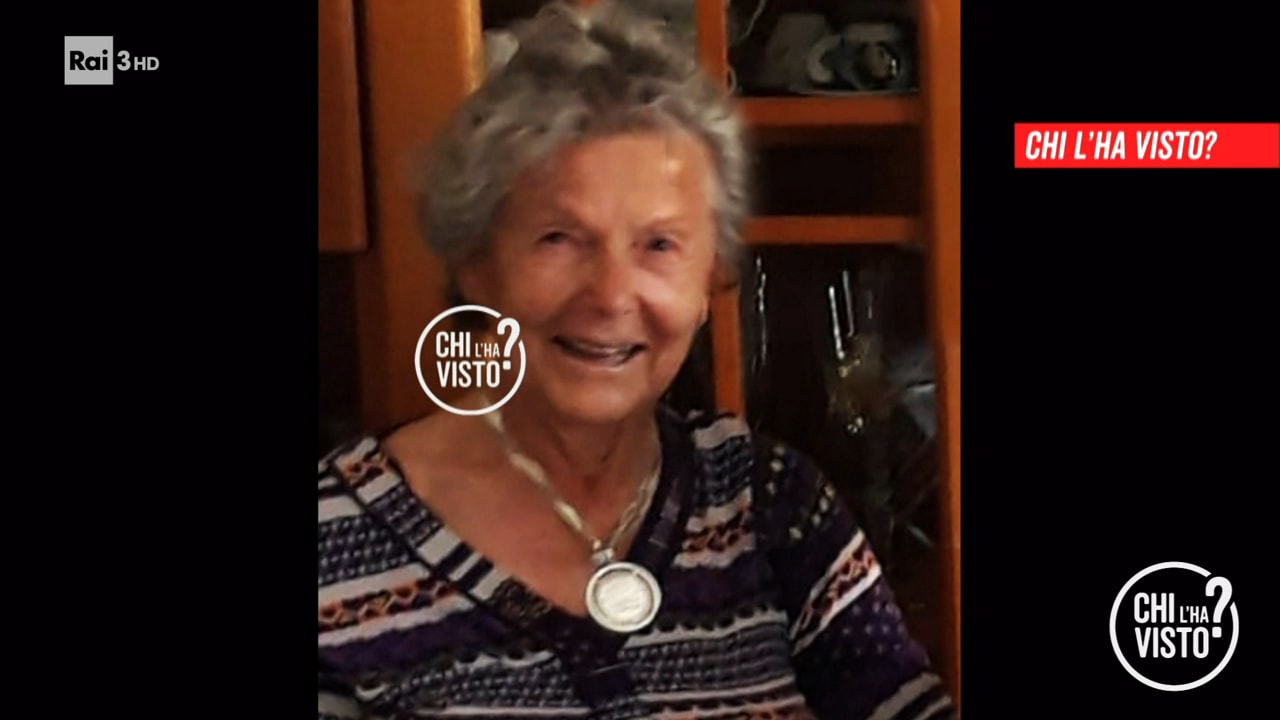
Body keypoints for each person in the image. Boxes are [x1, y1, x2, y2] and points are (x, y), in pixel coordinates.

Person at [318, 2, 955, 718]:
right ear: (477, 265)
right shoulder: (337, 541)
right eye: (559, 239)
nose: (612, 295)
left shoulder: (770, 504)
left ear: (709, 280)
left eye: (659, 246)